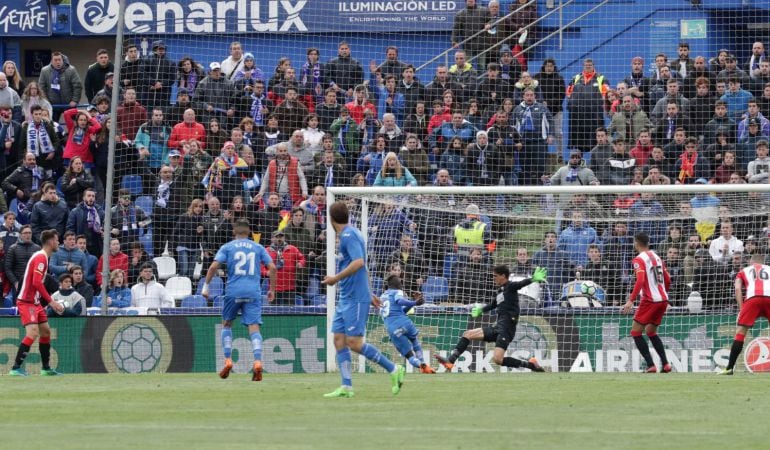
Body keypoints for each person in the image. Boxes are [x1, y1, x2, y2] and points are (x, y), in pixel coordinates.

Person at [322, 201, 405, 397]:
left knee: (354, 343)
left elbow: (359, 263)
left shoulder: (349, 235)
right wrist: (371, 293)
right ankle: (347, 386)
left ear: (332, 219)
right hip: (348, 296)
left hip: (355, 299)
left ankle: (394, 369)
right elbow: (364, 266)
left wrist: (335, 278)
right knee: (338, 339)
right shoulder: (350, 234)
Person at [202, 219, 277, 381]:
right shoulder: (258, 247)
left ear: (233, 231)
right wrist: (272, 289)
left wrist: (206, 286)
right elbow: (272, 267)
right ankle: (257, 361)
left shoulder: (228, 247)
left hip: (233, 291)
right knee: (254, 327)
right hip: (253, 292)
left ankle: (228, 359)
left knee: (227, 323)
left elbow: (214, 266)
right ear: (249, 232)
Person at [435, 265, 547, 372]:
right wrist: (481, 310)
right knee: (467, 334)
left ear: (503, 276)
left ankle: (530, 365)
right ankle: (450, 361)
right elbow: (493, 304)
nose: (493, 278)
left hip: (507, 329)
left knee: (497, 359)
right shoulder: (500, 292)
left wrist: (533, 279)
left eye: (495, 276)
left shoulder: (511, 286)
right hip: (498, 326)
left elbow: (521, 283)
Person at [8, 229, 64, 376]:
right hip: (26, 301)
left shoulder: (44, 257)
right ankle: (15, 368)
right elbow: (37, 282)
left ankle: (45, 368)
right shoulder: (41, 257)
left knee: (45, 331)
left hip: (35, 302)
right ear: (51, 241)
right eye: (57, 240)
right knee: (32, 333)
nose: (58, 243)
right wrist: (51, 302)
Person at [620, 232, 672, 373]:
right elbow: (668, 279)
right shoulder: (657, 257)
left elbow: (641, 280)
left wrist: (630, 300)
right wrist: (665, 296)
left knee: (636, 332)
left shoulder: (638, 260)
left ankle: (651, 365)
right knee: (651, 331)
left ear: (636, 243)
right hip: (663, 300)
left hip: (650, 300)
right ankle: (666, 364)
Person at [720, 254, 770, 375]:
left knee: (740, 333)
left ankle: (729, 368)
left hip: (752, 299)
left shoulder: (743, 271)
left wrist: (742, 309)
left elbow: (737, 289)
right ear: (763, 262)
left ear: (751, 262)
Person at [378, 274, 435, 373]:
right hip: (405, 324)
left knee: (409, 355)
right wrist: (414, 303)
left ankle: (420, 364)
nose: (402, 285)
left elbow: (399, 310)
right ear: (398, 284)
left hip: (393, 330)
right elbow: (399, 301)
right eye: (401, 283)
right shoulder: (398, 291)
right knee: (414, 339)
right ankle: (423, 361)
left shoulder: (381, 297)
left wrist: (413, 302)